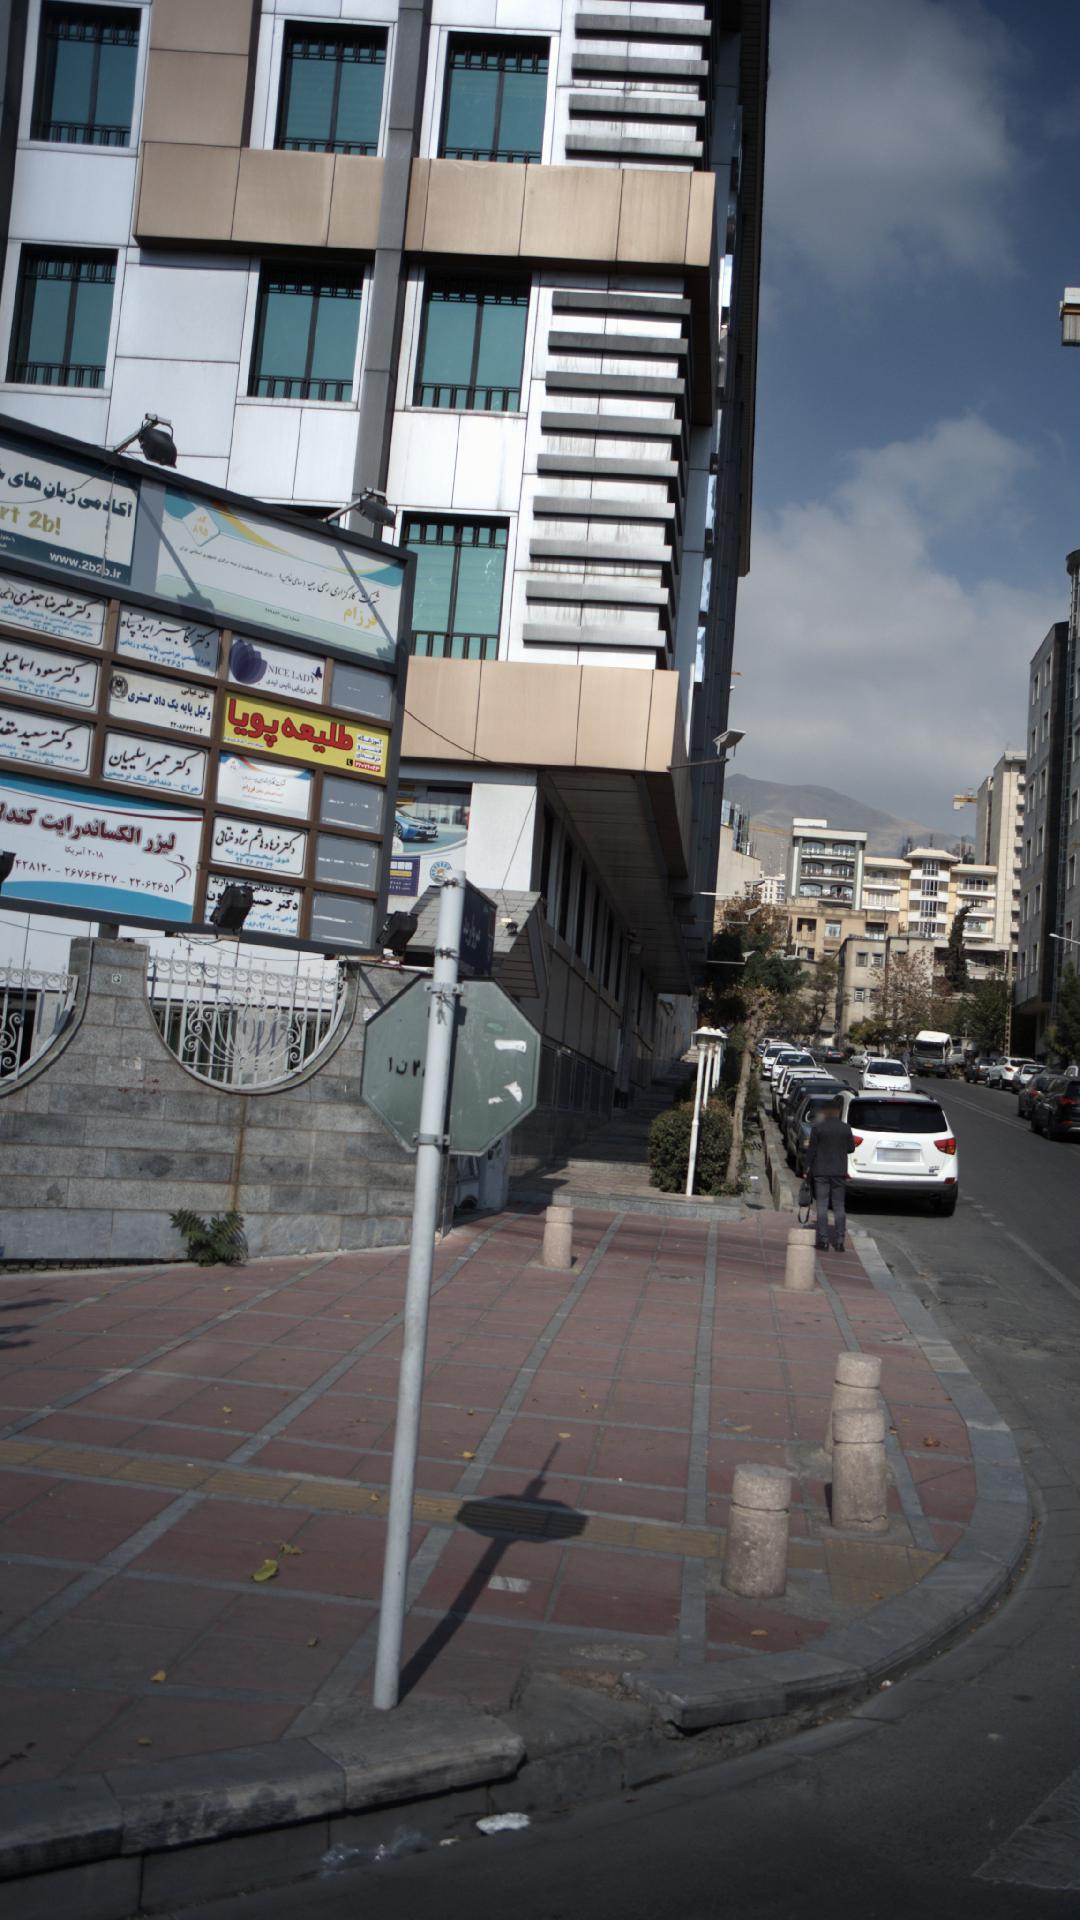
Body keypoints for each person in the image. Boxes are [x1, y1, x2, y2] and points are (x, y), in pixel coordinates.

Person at [804, 1095, 856, 1252]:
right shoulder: (845, 1128)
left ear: (825, 1112)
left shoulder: (818, 1128)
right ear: (838, 1112)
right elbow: (851, 1148)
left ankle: (823, 1240)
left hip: (821, 1171)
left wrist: (806, 1168)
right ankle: (839, 1241)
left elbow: (811, 1151)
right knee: (839, 1206)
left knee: (822, 1205)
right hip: (839, 1171)